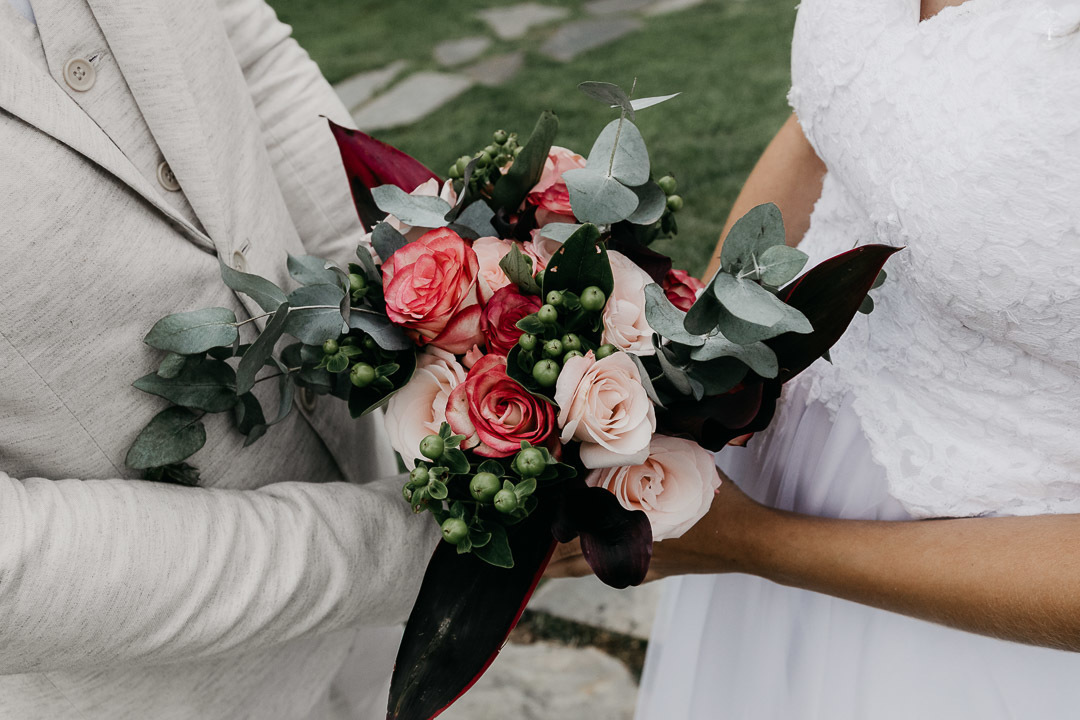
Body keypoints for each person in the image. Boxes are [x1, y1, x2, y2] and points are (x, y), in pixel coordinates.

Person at [546, 0, 1080, 717]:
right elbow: (832, 115)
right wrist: (680, 371)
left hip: (978, 590)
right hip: (768, 458)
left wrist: (757, 543)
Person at [0, 1, 437, 718]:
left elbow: (251, 66)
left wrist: (433, 327)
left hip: (393, 622)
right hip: (154, 695)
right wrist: (390, 552)